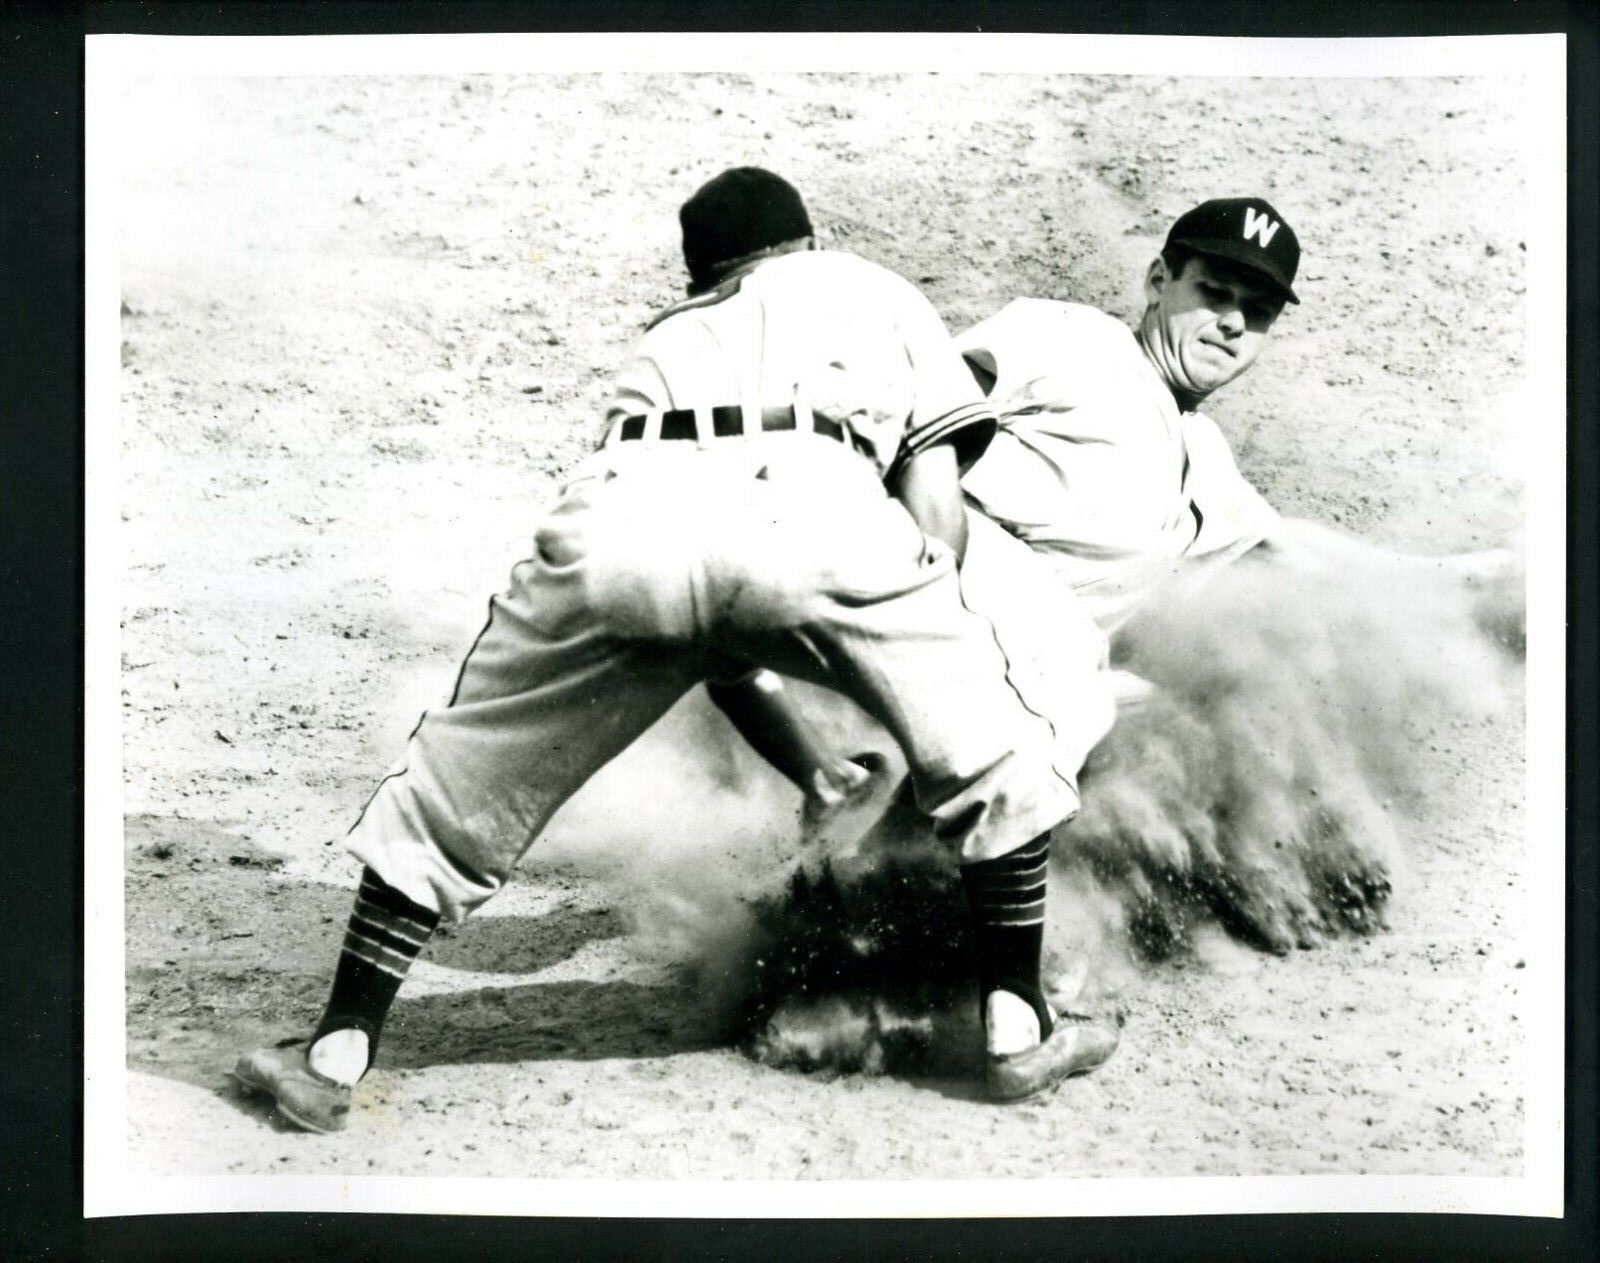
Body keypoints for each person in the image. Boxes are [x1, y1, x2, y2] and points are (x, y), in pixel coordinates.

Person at [232, 168, 1121, 1132]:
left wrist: (807, 745)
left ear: (703, 273)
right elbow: (934, 515)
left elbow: (705, 616)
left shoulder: (669, 336)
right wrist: (906, 666)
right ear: (809, 245)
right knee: (1003, 751)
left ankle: (336, 1046)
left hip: (624, 512)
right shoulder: (870, 288)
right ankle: (1016, 1024)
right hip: (812, 496)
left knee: (457, 780)